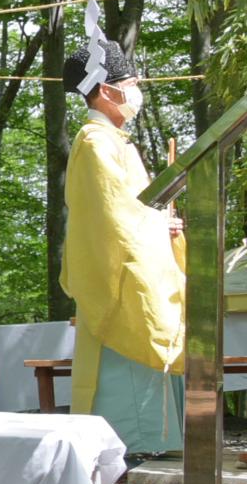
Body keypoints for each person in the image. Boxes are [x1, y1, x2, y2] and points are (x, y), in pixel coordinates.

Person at [59, 39, 186, 455]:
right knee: (124, 359)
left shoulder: (113, 139)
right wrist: (157, 222)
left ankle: (151, 441)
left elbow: (131, 208)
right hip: (123, 272)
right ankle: (131, 446)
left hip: (138, 261)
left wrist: (162, 222)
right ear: (106, 91)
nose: (135, 90)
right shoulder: (95, 143)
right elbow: (111, 216)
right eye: (130, 83)